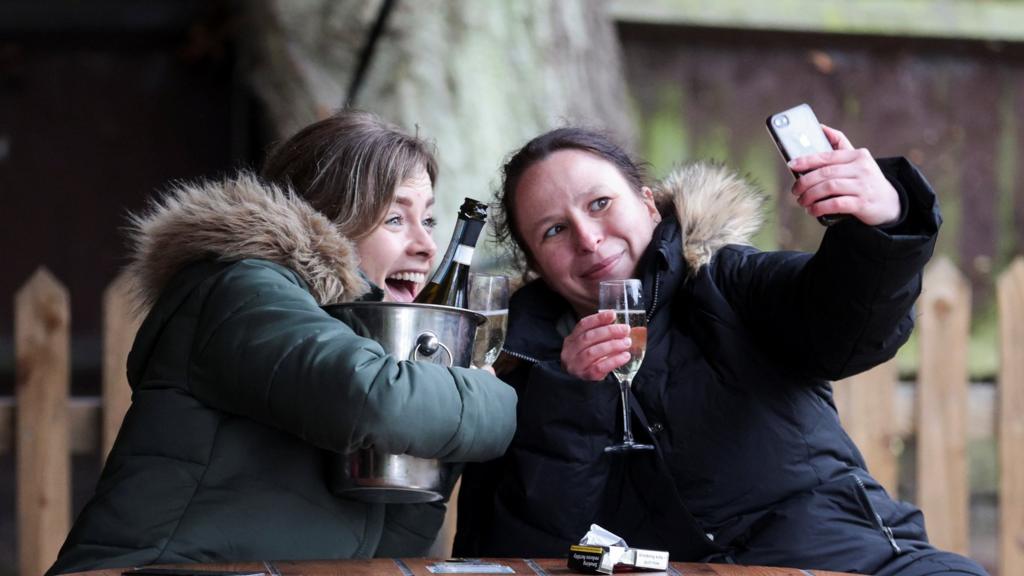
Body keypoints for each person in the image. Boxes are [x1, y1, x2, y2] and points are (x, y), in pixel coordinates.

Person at [454, 126, 988, 576]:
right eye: (554, 230)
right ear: (536, 264)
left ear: (646, 201)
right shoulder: (513, 368)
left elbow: (847, 327)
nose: (589, 239)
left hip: (850, 561)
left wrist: (884, 226)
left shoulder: (726, 280)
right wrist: (569, 398)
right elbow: (511, 553)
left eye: (600, 203)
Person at [47, 110, 517, 575]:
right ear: (326, 220)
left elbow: (388, 535)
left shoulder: (362, 333)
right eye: (395, 218)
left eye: (429, 221)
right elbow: (375, 403)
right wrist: (488, 394)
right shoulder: (241, 287)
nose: (426, 246)